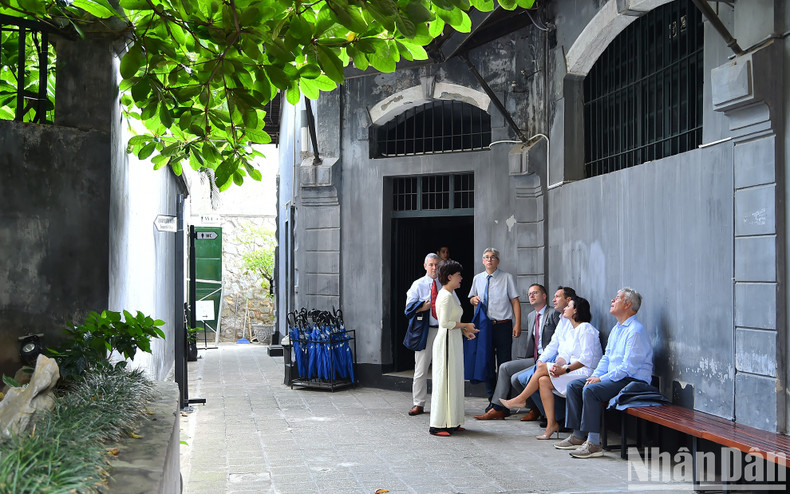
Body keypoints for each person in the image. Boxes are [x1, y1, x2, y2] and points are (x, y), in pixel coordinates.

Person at [556, 288, 653, 459]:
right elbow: (607, 358)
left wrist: (600, 379)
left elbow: (628, 368)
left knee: (591, 390)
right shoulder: (617, 329)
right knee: (575, 386)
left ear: (628, 304)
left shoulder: (635, 331)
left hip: (632, 381)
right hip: (615, 377)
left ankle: (594, 443)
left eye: (617, 298)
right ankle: (578, 436)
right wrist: (596, 376)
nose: (612, 300)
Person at [500, 296, 602, 440]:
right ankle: (551, 424)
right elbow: (564, 354)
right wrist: (557, 365)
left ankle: (521, 399)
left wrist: (564, 370)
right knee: (543, 381)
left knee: (541, 370)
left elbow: (586, 359)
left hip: (586, 372)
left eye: (568, 306)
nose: (565, 308)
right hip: (572, 370)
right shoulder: (573, 330)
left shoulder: (585, 328)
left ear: (575, 311)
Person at [473, 283, 558, 420]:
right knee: (505, 367)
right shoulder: (531, 316)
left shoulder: (553, 314)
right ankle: (498, 408)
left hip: (549, 359)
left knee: (516, 378)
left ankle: (534, 408)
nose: (531, 296)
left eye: (535, 293)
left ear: (544, 295)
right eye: (529, 293)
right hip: (535, 358)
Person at [430, 260, 479, 436]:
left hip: (453, 340)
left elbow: (451, 322)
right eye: (458, 275)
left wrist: (465, 330)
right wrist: (466, 324)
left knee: (454, 380)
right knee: (445, 381)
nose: (461, 278)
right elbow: (444, 322)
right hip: (446, 342)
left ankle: (452, 421)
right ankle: (437, 424)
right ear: (449, 276)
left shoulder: (450, 295)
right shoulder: (445, 296)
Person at [468, 248, 521, 400]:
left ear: (498, 261)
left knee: (504, 363)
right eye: (486, 257)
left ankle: (504, 399)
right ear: (483, 261)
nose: (489, 260)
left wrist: (517, 324)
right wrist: (473, 300)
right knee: (487, 361)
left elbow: (515, 301)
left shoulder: (507, 277)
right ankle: (492, 398)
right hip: (485, 326)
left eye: (493, 257)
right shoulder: (478, 278)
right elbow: (471, 298)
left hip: (503, 325)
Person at [404, 253, 441, 416]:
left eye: (436, 265)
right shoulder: (418, 285)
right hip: (425, 331)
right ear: (425, 266)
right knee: (421, 368)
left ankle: (440, 403)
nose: (434, 268)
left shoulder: (444, 283)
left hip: (442, 330)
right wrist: (421, 307)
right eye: (431, 265)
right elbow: (408, 308)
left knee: (442, 369)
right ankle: (418, 403)